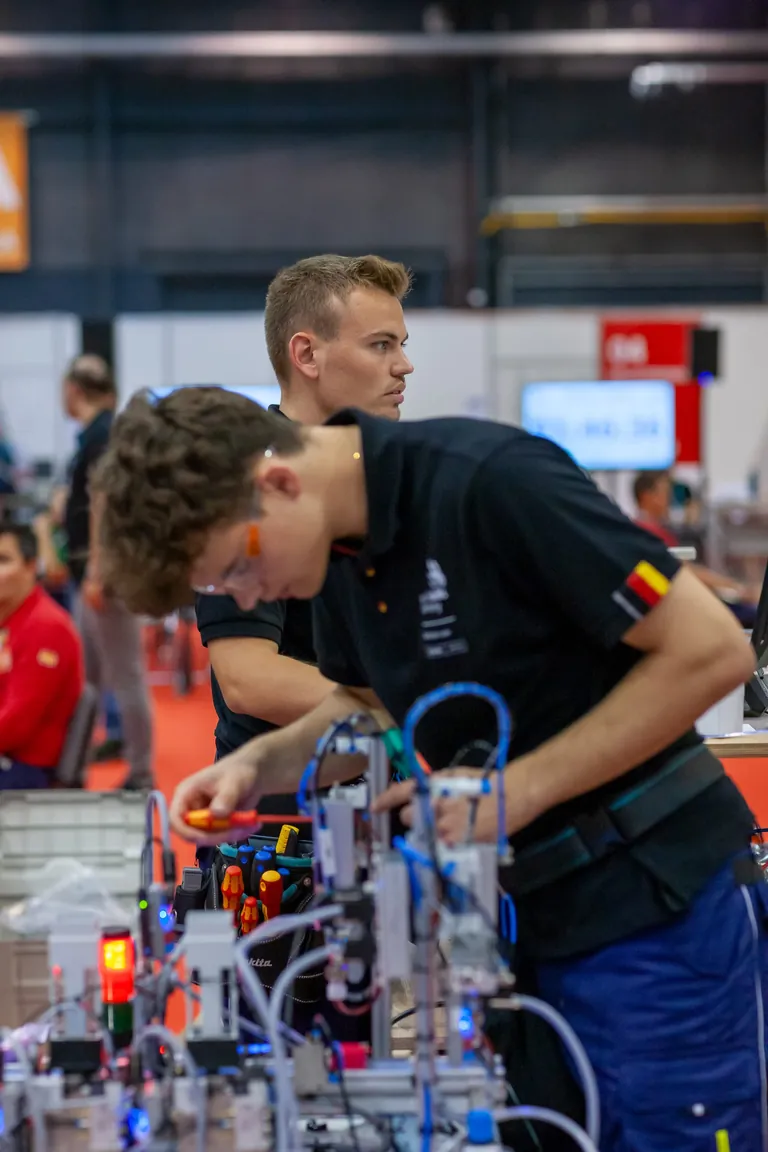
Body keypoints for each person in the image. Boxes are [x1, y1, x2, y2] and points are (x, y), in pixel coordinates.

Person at [94, 389, 760, 1152]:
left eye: (238, 567)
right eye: (221, 591)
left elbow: (713, 650)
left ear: (277, 482)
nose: (247, 596)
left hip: (659, 907)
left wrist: (518, 793)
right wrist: (257, 763)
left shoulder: (492, 484)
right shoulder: (339, 557)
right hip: (528, 922)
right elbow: (367, 706)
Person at [196, 254, 413, 830]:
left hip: (392, 795)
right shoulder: (249, 488)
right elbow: (248, 679)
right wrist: (409, 707)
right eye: (381, 345)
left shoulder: (386, 474)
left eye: (401, 345)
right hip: (282, 820)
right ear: (307, 355)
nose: (404, 366)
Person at [61, 354, 153, 790]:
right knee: (90, 678)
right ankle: (74, 768)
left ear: (73, 390)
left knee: (125, 675)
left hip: (106, 576)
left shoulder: (102, 436)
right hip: (96, 573)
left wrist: (98, 571)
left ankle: (141, 771)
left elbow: (104, 505)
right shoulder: (99, 435)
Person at [0, 522, 83, 789]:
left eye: (3, 560)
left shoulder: (45, 627)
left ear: (31, 566)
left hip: (26, 770)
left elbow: (16, 726)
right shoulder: (11, 618)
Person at [634, 470, 761, 624]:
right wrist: (737, 589)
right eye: (665, 493)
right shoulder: (648, 534)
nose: (669, 500)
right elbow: (685, 571)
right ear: (647, 496)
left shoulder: (651, 531)